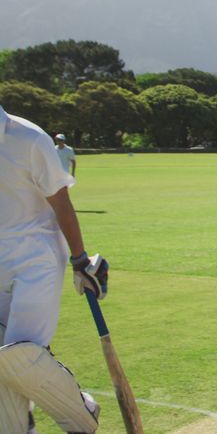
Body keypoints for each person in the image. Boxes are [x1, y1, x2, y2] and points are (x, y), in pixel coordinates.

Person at [0, 104, 107, 433]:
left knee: (18, 353)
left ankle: (80, 414)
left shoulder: (28, 138)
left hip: (37, 260)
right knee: (3, 361)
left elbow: (61, 202)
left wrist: (80, 260)